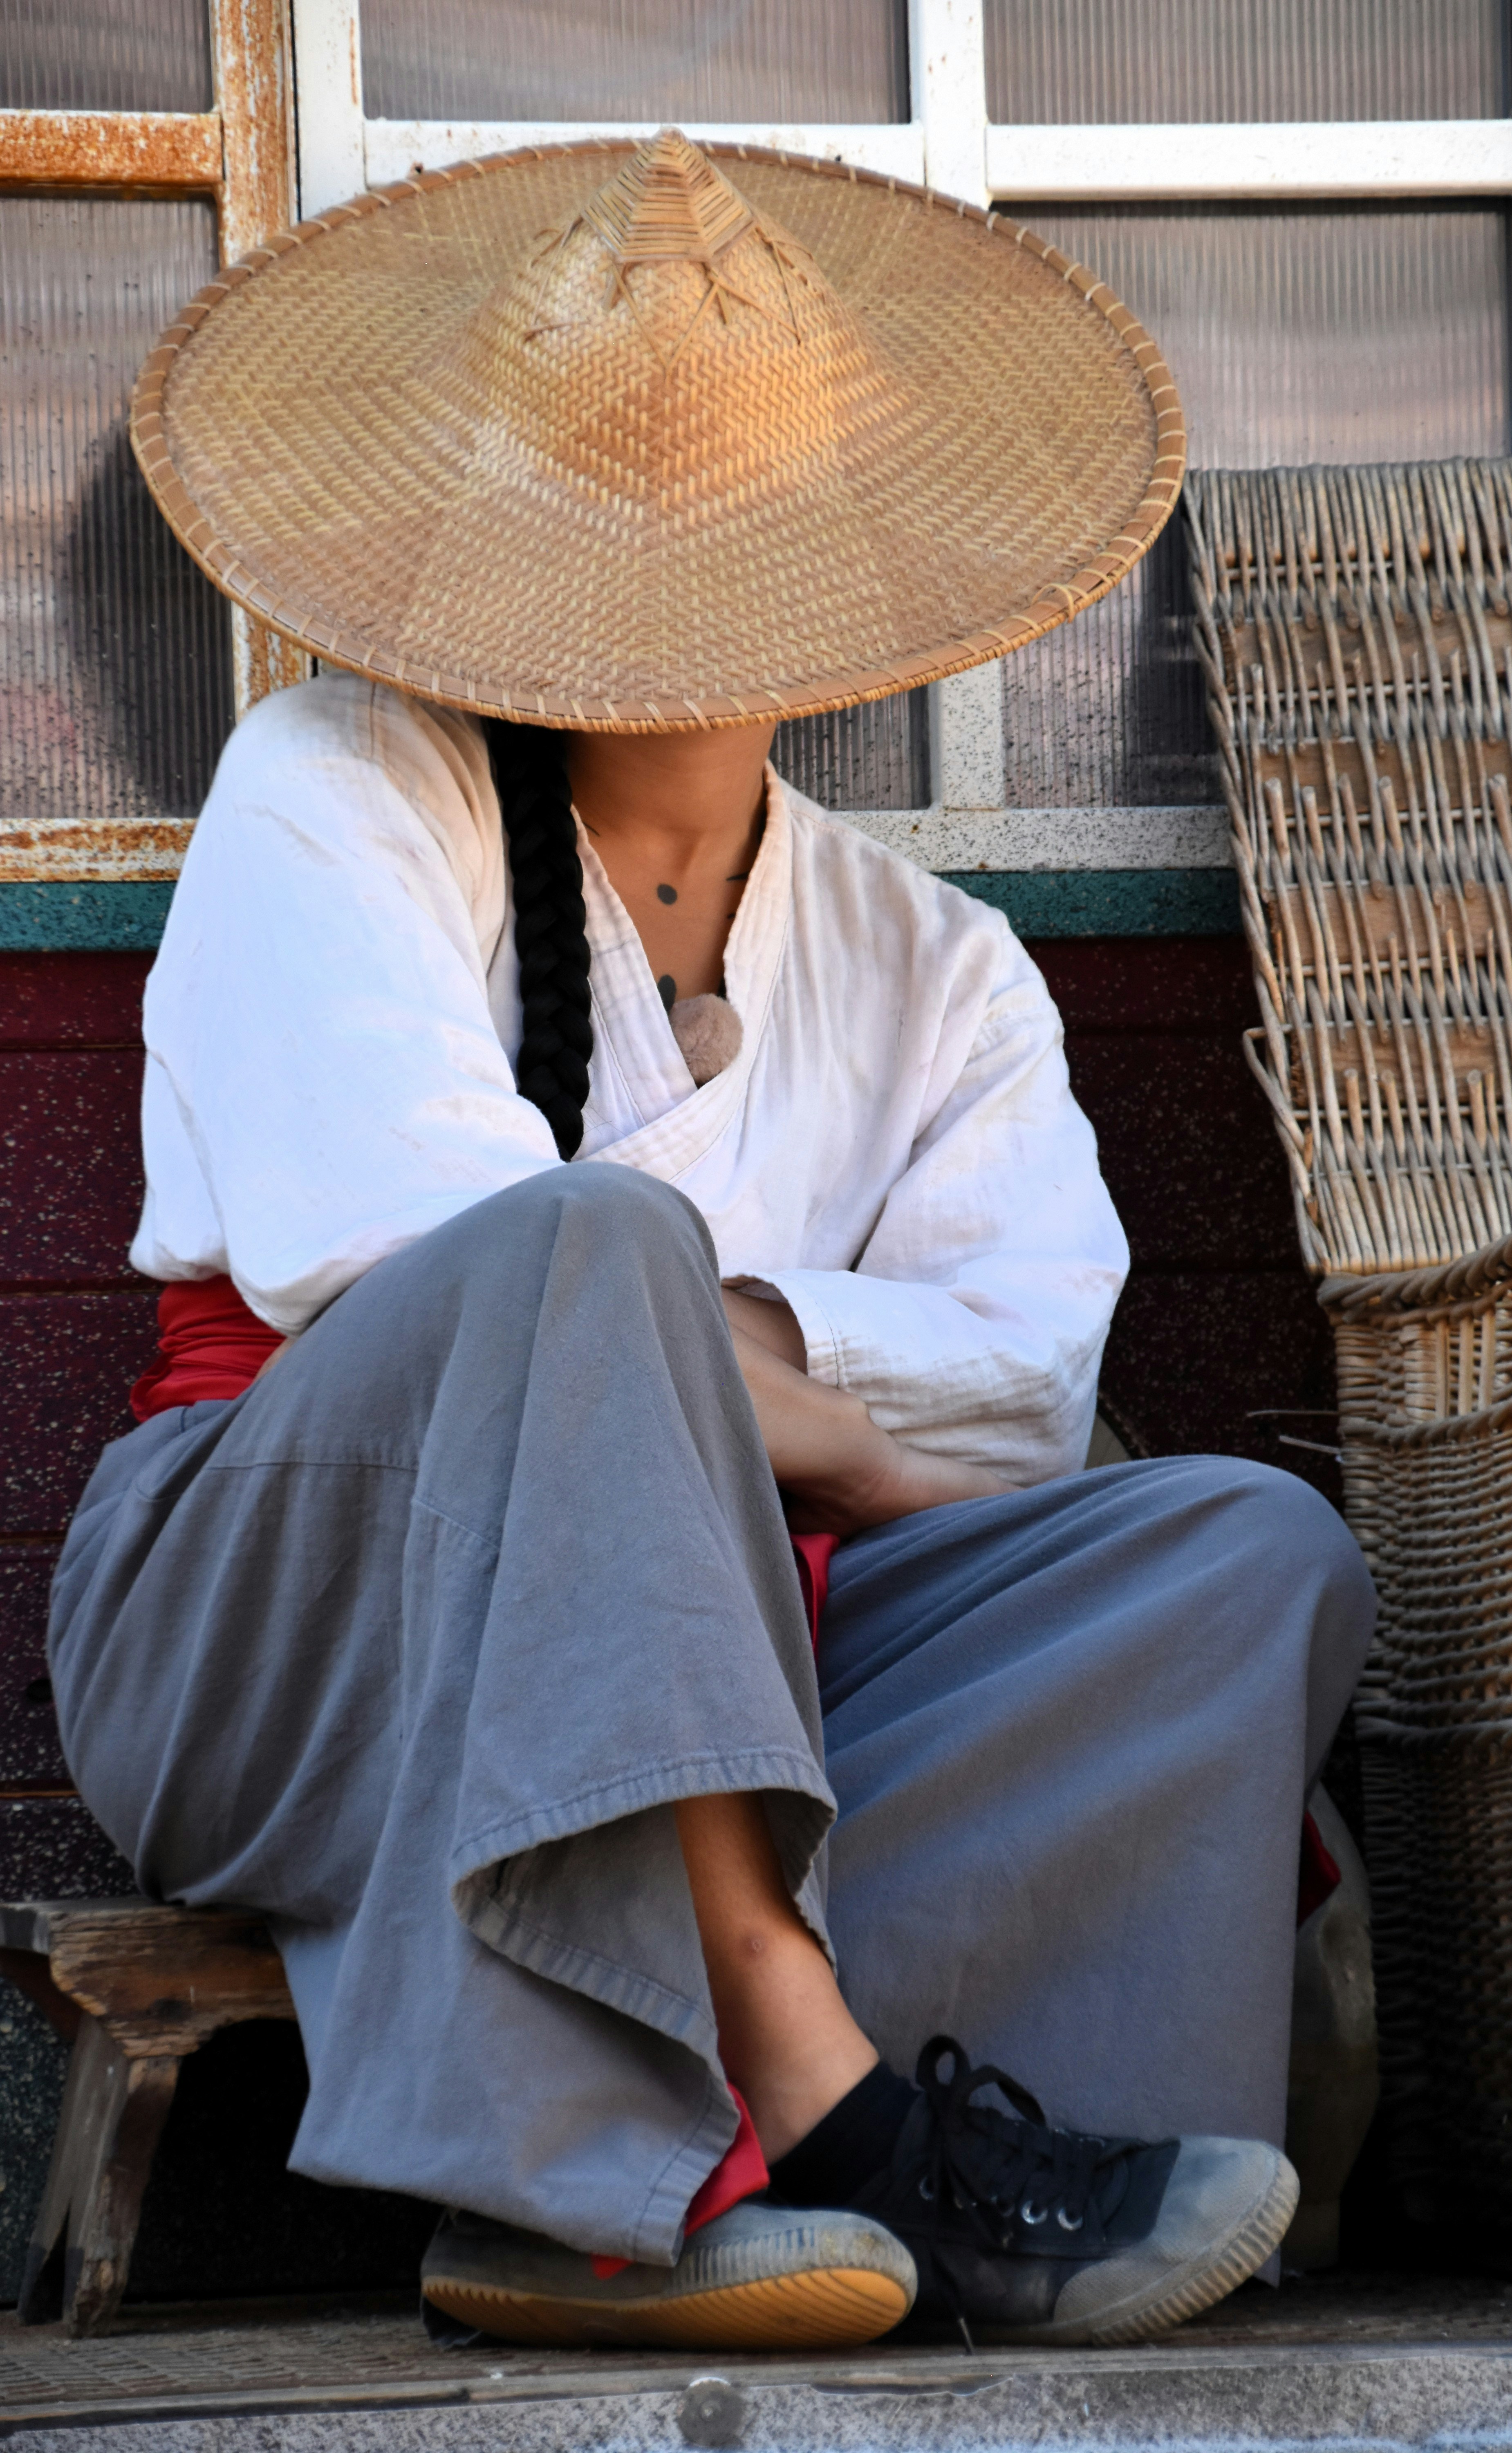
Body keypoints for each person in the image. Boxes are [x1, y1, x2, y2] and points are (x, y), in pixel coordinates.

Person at [49, 130, 1374, 2353]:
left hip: (768, 1645)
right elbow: (413, 1252)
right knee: (583, 1259)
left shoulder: (935, 965)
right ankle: (700, 2144)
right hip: (277, 1636)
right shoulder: (335, 778)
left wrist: (755, 1400)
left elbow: (1026, 1390)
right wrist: (792, 1409)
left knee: (1244, 1551)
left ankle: (1018, 2137)